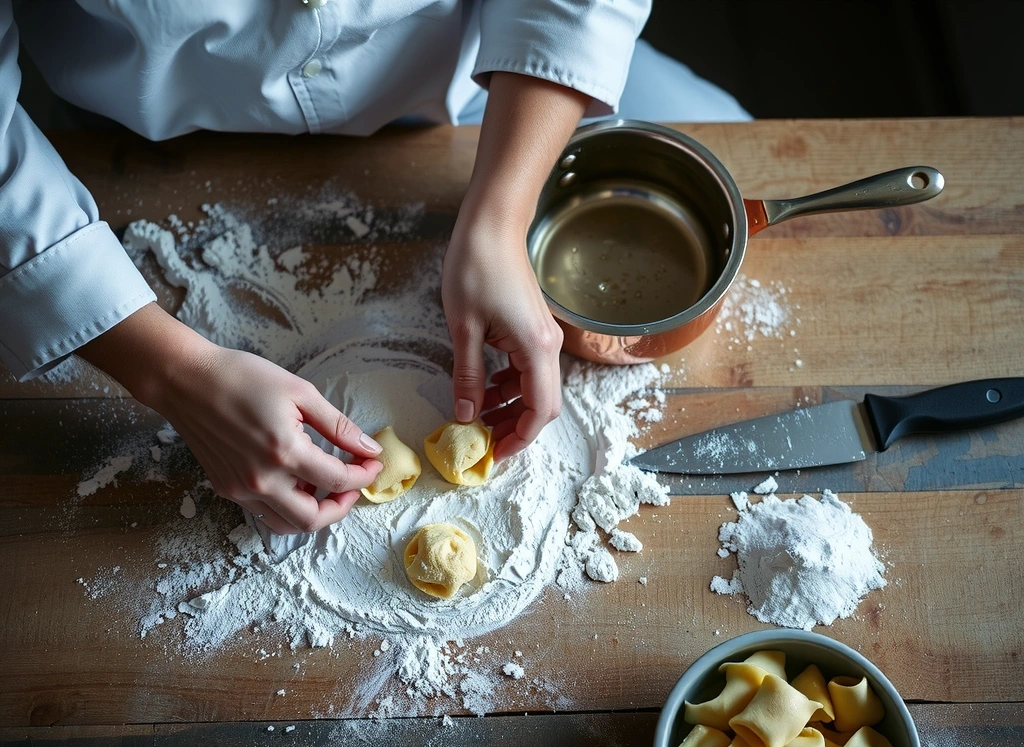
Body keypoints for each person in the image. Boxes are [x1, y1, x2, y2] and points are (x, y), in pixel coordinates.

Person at [0, 1, 748, 536]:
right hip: (147, 127)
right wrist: (169, 372)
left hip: (480, 84)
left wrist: (499, 215)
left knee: (731, 127)